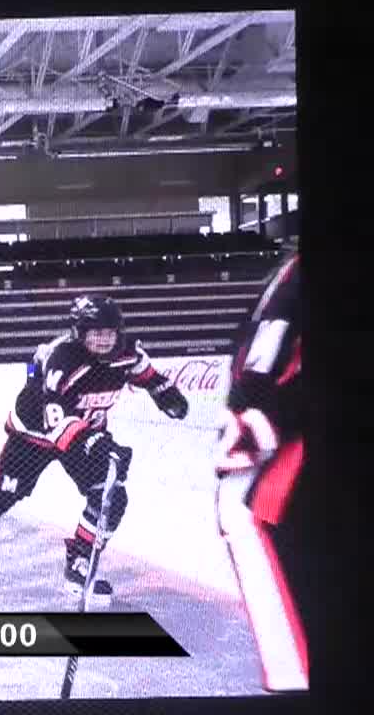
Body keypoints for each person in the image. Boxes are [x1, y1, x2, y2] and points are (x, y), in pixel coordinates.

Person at [0, 295, 188, 605]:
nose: (104, 340)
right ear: (80, 333)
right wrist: (98, 445)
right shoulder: (63, 359)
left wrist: (166, 395)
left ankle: (79, 563)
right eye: (95, 333)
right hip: (33, 435)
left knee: (111, 496)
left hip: (84, 430)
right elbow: (56, 421)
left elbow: (149, 377)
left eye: (109, 332)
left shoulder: (129, 353)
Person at [213, 252, 307, 692]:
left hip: (287, 443)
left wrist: (253, 412)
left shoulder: (292, 274)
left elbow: (269, 350)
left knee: (243, 514)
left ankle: (294, 682)